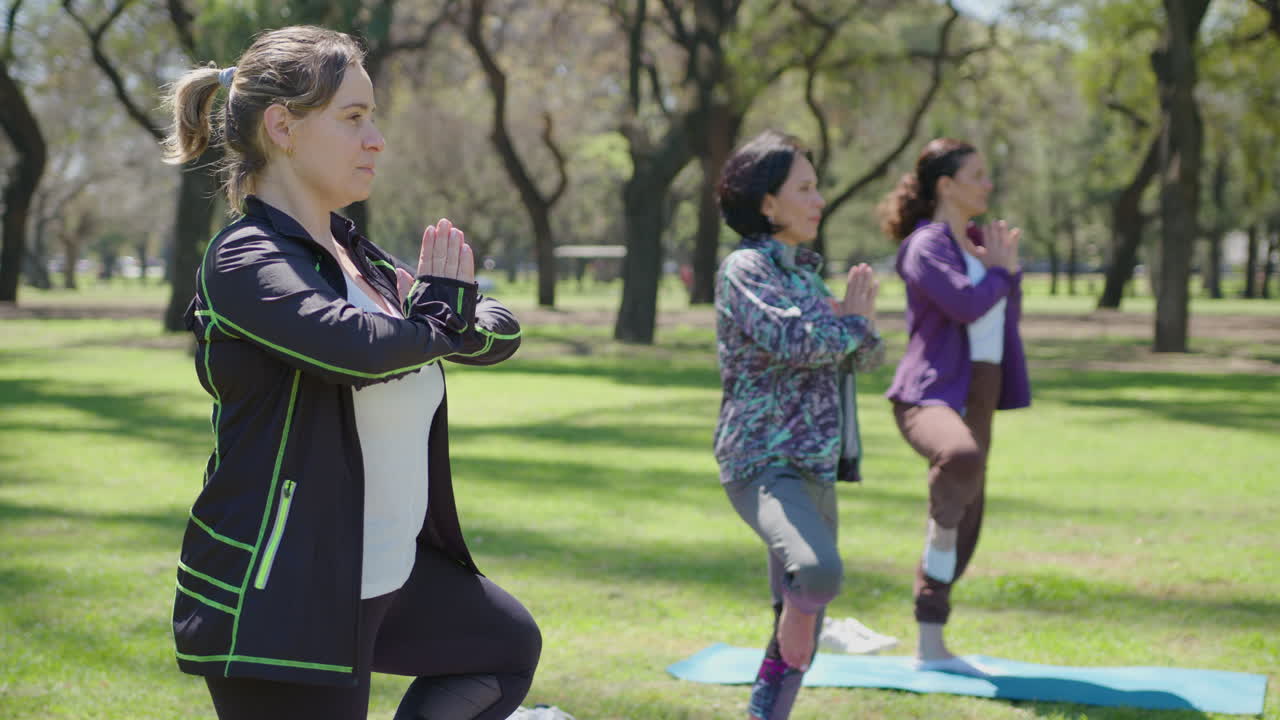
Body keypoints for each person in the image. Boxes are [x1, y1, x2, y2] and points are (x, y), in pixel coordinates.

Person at [162, 26, 542, 720]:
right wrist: (438, 321)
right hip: (286, 590)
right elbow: (357, 348)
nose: (377, 139)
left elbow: (497, 328)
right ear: (283, 127)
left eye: (373, 118)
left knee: (503, 646)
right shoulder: (244, 260)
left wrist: (441, 320)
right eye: (353, 118)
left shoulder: (354, 256)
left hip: (385, 573)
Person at [713, 130, 886, 720]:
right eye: (804, 189)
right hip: (762, 462)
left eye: (818, 188)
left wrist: (854, 326)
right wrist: (853, 325)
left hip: (817, 464)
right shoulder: (745, 269)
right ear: (767, 202)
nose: (818, 201)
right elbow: (798, 342)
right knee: (815, 575)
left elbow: (864, 356)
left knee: (793, 618)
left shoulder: (804, 276)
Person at [877, 138, 1031, 676]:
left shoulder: (977, 245)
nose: (988, 185)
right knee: (959, 463)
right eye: (978, 174)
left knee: (967, 524)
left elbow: (997, 318)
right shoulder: (926, 246)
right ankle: (938, 535)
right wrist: (1003, 275)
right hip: (930, 394)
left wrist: (998, 271)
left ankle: (931, 645)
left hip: (980, 394)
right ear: (946, 185)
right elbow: (967, 304)